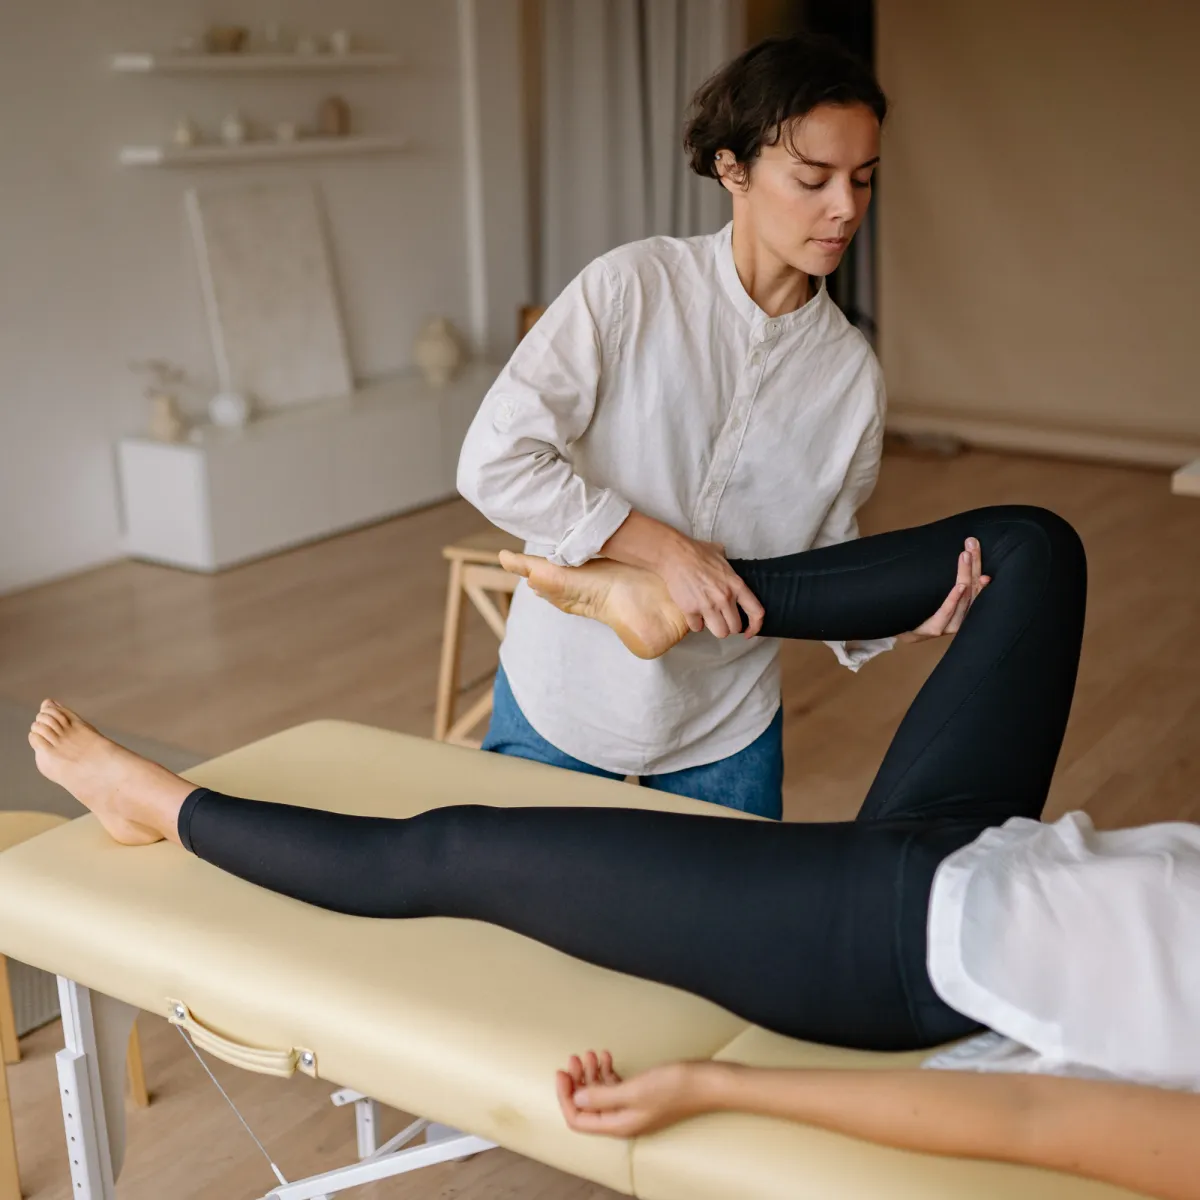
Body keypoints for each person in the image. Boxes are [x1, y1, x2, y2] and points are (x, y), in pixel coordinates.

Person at [28, 506, 1199, 1199]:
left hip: (886, 944)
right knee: (1030, 550)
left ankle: (153, 803)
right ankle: (658, 599)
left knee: (460, 854)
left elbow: (1035, 1122)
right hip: (993, 852)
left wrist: (714, 1084)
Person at [457, 34, 981, 820]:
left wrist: (897, 613)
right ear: (733, 169)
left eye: (864, 179)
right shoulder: (630, 287)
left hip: (724, 727)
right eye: (813, 178)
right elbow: (493, 463)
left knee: (712, 945)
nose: (846, 207)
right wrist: (664, 550)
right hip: (561, 699)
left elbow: (825, 549)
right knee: (512, 932)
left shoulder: (851, 378)